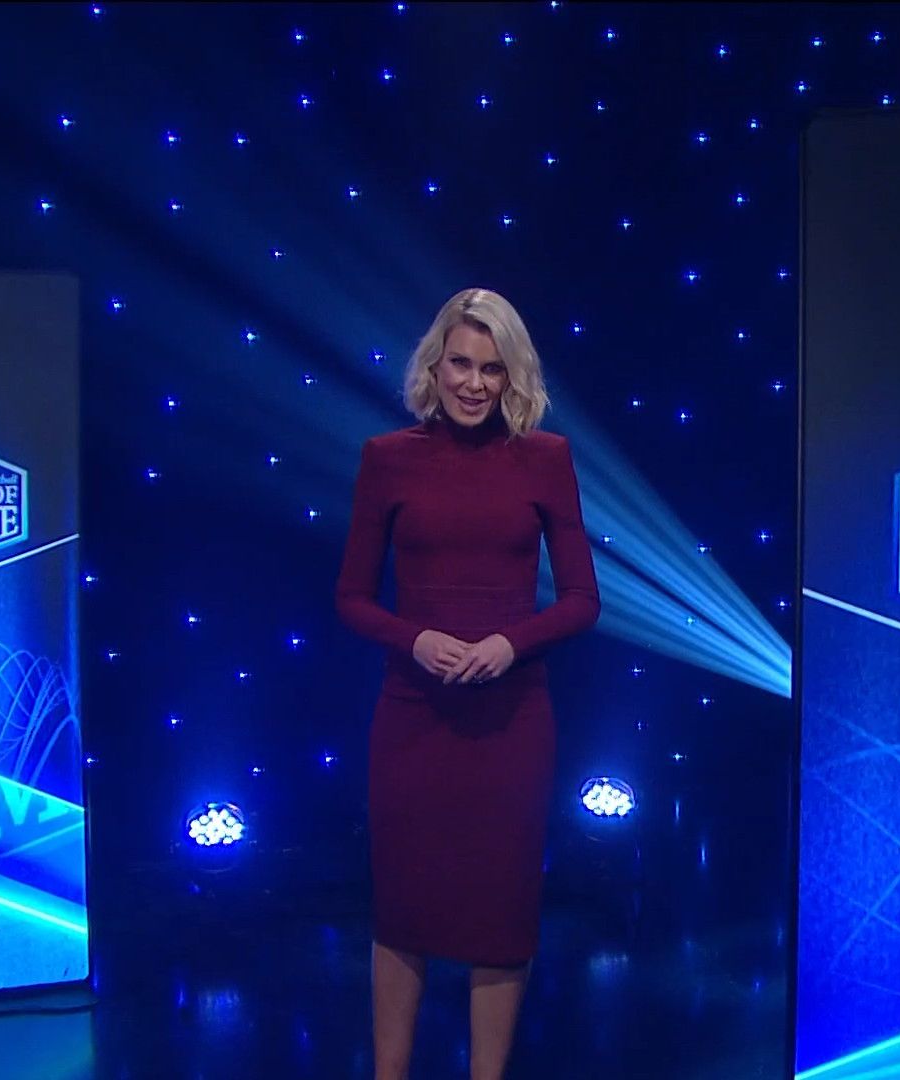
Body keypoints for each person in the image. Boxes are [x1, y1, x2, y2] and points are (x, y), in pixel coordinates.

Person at [334, 287, 601, 1080]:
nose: (474, 383)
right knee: (403, 908)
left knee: (500, 912)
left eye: (492, 368)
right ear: (435, 364)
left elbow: (583, 600)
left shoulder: (545, 458)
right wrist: (415, 639)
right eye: (460, 363)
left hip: (510, 722)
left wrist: (507, 646)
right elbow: (351, 598)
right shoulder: (388, 458)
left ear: (513, 376)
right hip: (413, 717)